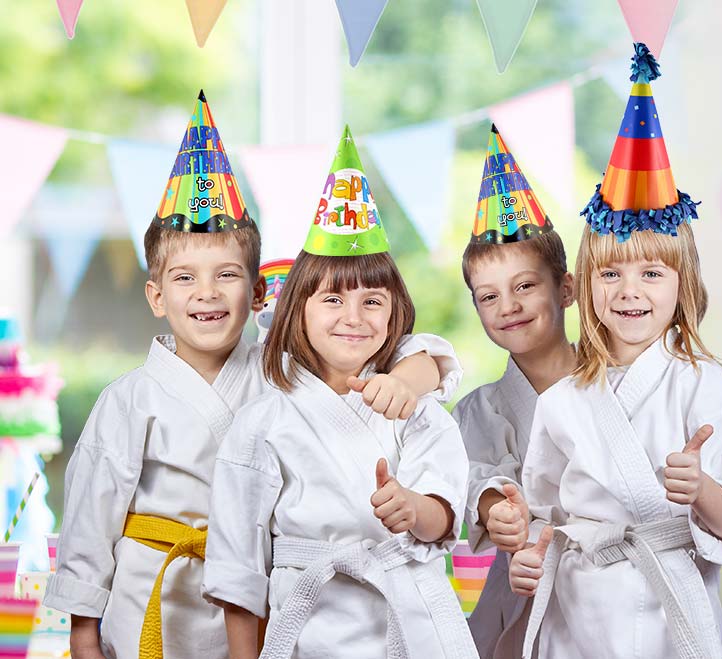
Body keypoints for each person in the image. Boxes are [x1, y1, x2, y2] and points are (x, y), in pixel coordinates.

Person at [43, 97, 462, 659]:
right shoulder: (129, 399)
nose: (207, 293)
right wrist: (83, 634)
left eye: (227, 275)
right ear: (156, 296)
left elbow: (391, 349)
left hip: (259, 598)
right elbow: (90, 520)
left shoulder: (282, 371)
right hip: (153, 592)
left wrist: (414, 375)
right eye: (185, 277)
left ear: (261, 292)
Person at [510, 45, 722, 659]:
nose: (630, 292)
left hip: (666, 611)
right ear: (584, 285)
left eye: (652, 274)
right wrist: (529, 552)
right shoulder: (563, 401)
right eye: (611, 276)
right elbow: (546, 515)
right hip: (574, 614)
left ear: (683, 284)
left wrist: (702, 488)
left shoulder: (711, 391)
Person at [202, 127, 478, 659]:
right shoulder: (262, 422)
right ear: (296, 309)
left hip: (412, 621)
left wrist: (411, 508)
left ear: (395, 312)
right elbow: (238, 564)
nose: (353, 317)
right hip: (311, 625)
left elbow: (445, 514)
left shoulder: (417, 410)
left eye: (373, 301)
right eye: (332, 299)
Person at [452, 125, 575, 659]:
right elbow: (473, 482)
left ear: (565, 288)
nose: (508, 306)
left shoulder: (621, 384)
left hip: (619, 589)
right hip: (521, 593)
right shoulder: (478, 411)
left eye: (525, 285)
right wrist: (494, 513)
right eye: (488, 296)